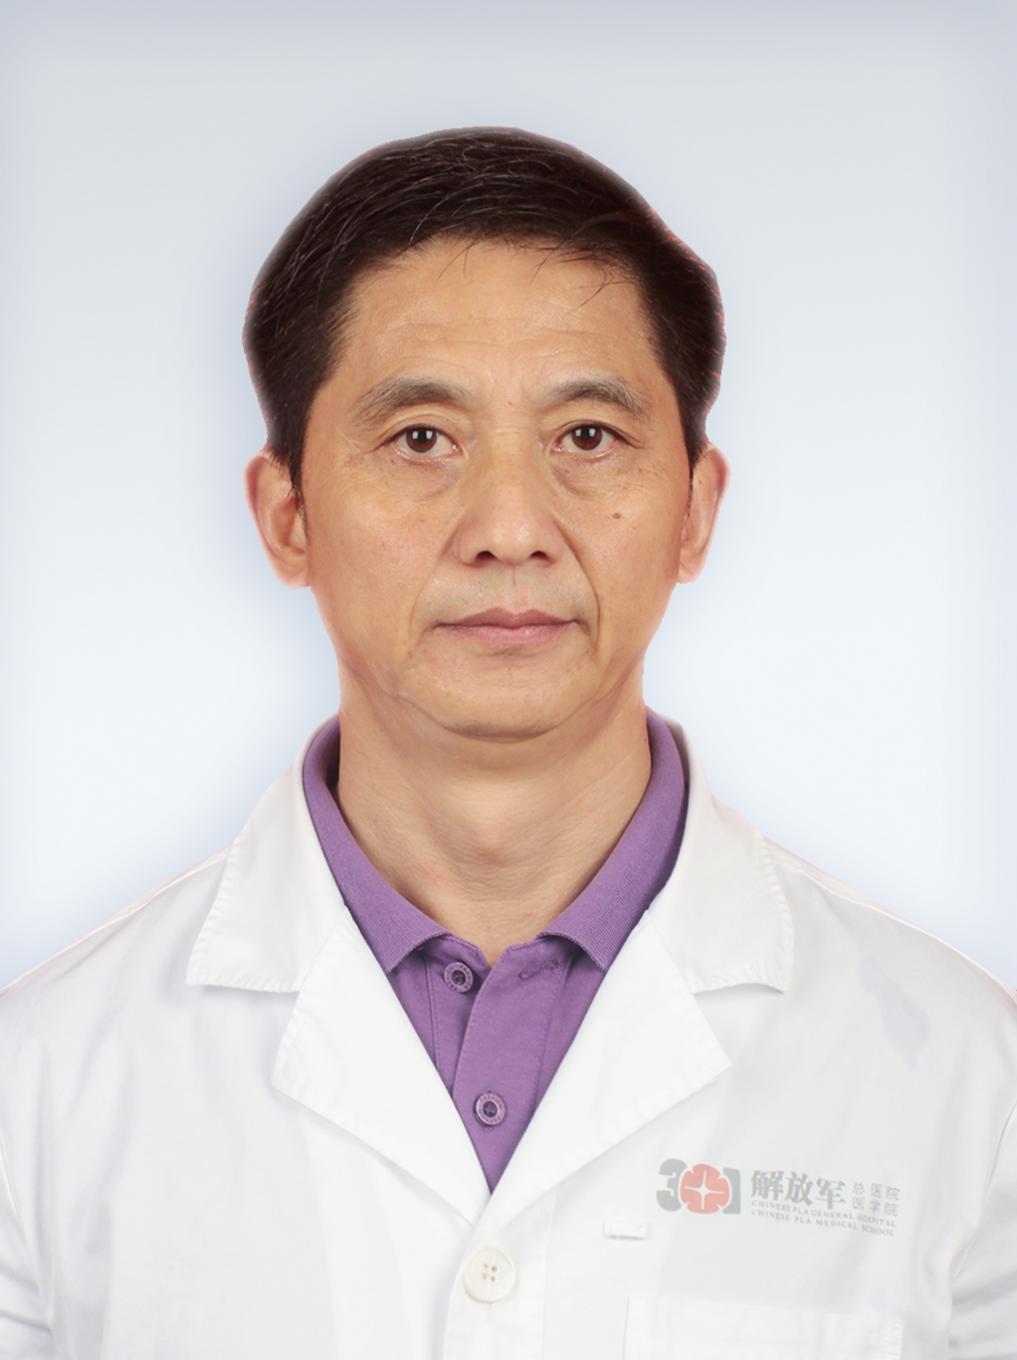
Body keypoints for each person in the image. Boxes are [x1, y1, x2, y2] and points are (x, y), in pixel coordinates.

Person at [0, 126, 1013, 1359]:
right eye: (422, 438)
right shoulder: (40, 1086)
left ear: (696, 510)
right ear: (288, 515)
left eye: (587, 436)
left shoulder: (968, 1079)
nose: (511, 527)